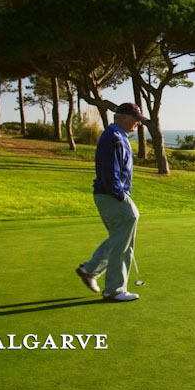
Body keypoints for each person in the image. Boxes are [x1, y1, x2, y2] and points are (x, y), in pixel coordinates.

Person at [75, 102, 147, 302]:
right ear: (123, 117)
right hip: (112, 194)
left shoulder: (118, 136)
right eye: (136, 120)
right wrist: (120, 195)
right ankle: (114, 289)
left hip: (110, 194)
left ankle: (90, 270)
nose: (138, 124)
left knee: (119, 238)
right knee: (124, 238)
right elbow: (109, 172)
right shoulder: (113, 138)